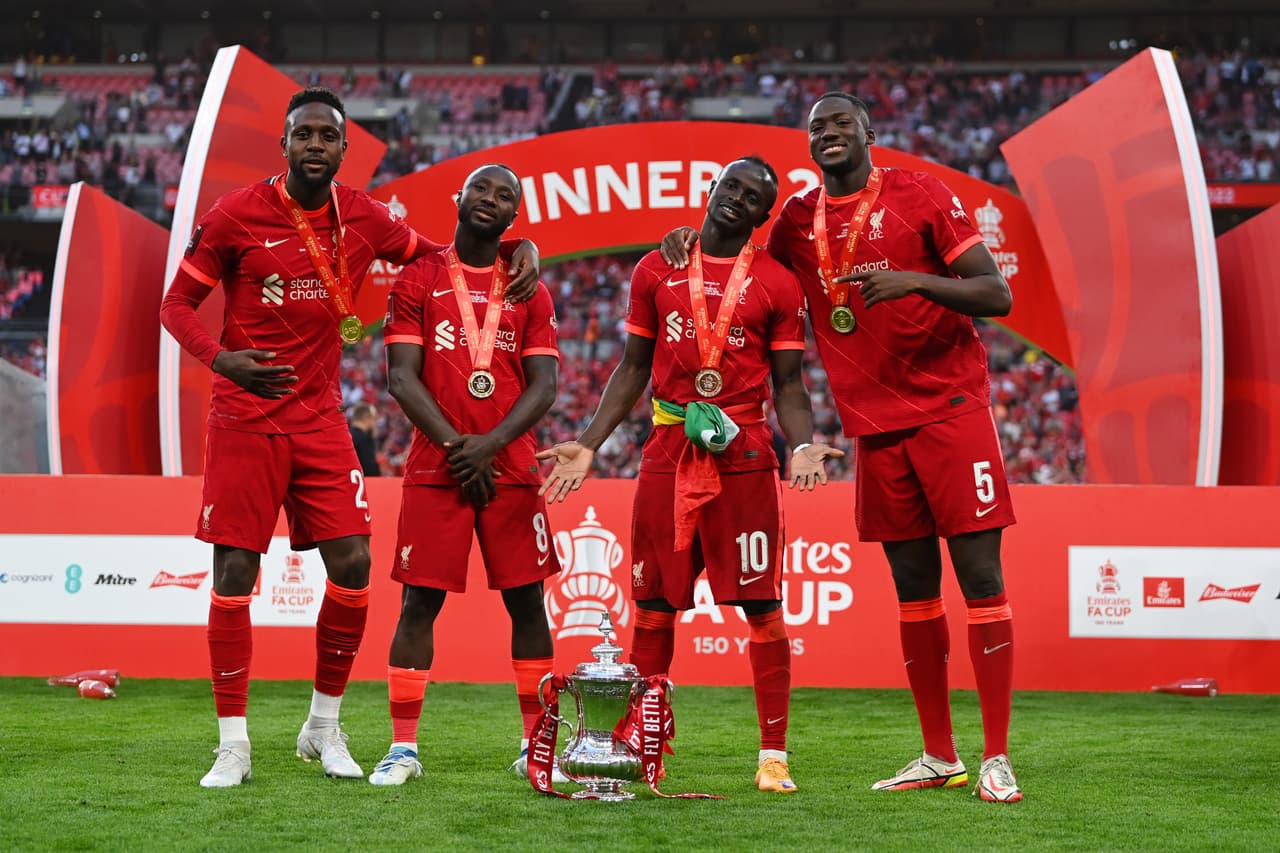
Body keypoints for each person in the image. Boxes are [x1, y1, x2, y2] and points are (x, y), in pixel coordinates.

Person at [158, 87, 540, 789]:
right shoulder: (234, 214)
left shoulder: (364, 216)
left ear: (341, 150)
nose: (313, 145)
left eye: (326, 137)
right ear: (284, 145)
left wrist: (515, 249)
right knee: (236, 573)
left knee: (355, 564)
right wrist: (221, 358)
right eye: (301, 134)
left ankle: (323, 725)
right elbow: (175, 303)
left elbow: (445, 260)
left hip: (320, 418)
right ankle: (233, 743)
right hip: (243, 416)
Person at [661, 92, 1022, 803]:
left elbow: (996, 292)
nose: (828, 133)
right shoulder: (797, 221)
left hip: (952, 408)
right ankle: (938, 754)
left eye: (840, 123)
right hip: (874, 427)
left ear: (868, 132)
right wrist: (687, 240)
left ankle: (999, 755)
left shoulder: (922, 193)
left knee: (981, 581)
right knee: (914, 592)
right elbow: (740, 266)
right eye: (816, 126)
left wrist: (914, 280)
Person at [540, 157, 843, 794]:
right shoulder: (657, 267)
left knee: (763, 609)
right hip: (668, 451)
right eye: (730, 185)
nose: (738, 198)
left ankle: (772, 755)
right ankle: (636, 749)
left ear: (764, 217)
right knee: (652, 609)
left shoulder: (779, 284)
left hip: (746, 456)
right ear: (711, 190)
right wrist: (592, 443)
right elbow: (630, 368)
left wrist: (806, 443)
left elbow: (789, 383)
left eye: (754, 196)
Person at [367, 164, 562, 786]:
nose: (492, 200)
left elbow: (546, 385)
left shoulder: (529, 286)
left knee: (528, 604)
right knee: (417, 603)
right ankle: (403, 748)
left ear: (514, 218)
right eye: (483, 188)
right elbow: (401, 377)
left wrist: (491, 446)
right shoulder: (420, 277)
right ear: (461, 198)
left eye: (507, 195)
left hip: (511, 467)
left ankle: (535, 744)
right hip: (438, 465)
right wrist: (461, 448)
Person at [348, 403, 380, 476]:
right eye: (374, 419)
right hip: (364, 483)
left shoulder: (346, 436)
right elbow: (370, 469)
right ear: (367, 417)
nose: (375, 423)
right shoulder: (365, 439)